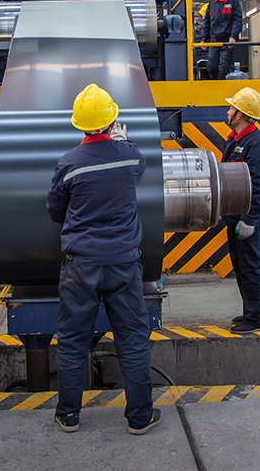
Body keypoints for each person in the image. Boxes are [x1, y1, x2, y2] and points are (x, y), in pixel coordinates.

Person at [46, 83, 162, 435]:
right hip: (124, 263)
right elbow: (140, 163)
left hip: (81, 265)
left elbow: (55, 211)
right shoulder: (129, 156)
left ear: (79, 125)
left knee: (72, 340)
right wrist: (122, 140)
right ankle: (140, 418)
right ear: (112, 122)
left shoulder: (69, 163)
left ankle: (68, 415)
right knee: (132, 338)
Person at [222, 87, 260, 333]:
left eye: (231, 108)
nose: (228, 112)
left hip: (250, 221)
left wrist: (251, 220)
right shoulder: (235, 140)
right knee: (241, 267)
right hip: (235, 218)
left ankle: (256, 318)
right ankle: (249, 312)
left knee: (252, 267)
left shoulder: (257, 145)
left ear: (240, 114)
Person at [199, 0, 243, 80]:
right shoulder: (212, 3)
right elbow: (207, 22)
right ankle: (217, 85)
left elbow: (237, 20)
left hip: (227, 41)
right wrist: (204, 39)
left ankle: (221, 86)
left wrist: (233, 36)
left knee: (223, 68)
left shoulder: (233, 1)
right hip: (214, 41)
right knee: (211, 67)